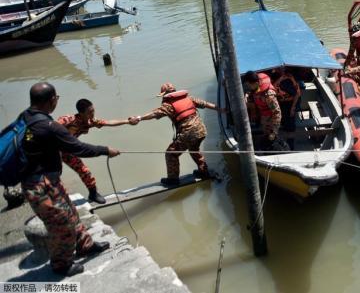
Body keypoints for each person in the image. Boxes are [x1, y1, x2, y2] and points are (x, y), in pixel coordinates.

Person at [20, 82, 120, 276]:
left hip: (50, 180)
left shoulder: (27, 117)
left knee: (72, 213)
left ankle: (85, 245)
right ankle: (61, 265)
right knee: (61, 225)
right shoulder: (51, 125)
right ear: (52, 100)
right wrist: (105, 150)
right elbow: (79, 148)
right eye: (56, 98)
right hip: (38, 185)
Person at [130, 83, 223, 185]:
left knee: (171, 154)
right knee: (193, 149)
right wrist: (221, 109)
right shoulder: (189, 98)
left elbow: (154, 114)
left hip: (189, 133)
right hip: (201, 130)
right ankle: (203, 171)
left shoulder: (168, 105)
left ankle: (173, 179)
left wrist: (139, 118)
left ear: (165, 94)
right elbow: (206, 104)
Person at [57, 99, 137, 204]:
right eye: (89, 112)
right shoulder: (68, 120)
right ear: (81, 113)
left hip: (69, 151)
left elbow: (108, 122)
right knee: (54, 177)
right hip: (53, 152)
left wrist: (127, 121)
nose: (93, 114)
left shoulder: (90, 121)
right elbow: (50, 127)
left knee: (84, 171)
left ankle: (93, 194)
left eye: (93, 111)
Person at [243, 71, 282, 144]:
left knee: (270, 138)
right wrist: (247, 95)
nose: (248, 87)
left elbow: (277, 113)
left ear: (256, 83)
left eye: (249, 85)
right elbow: (252, 91)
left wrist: (274, 132)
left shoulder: (269, 96)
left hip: (270, 118)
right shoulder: (255, 85)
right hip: (262, 114)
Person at [272, 68, 301, 149]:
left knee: (291, 124)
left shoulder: (291, 81)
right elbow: (273, 88)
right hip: (281, 103)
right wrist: (280, 79)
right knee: (283, 121)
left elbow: (297, 94)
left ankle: (291, 144)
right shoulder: (276, 79)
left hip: (291, 104)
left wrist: (293, 108)